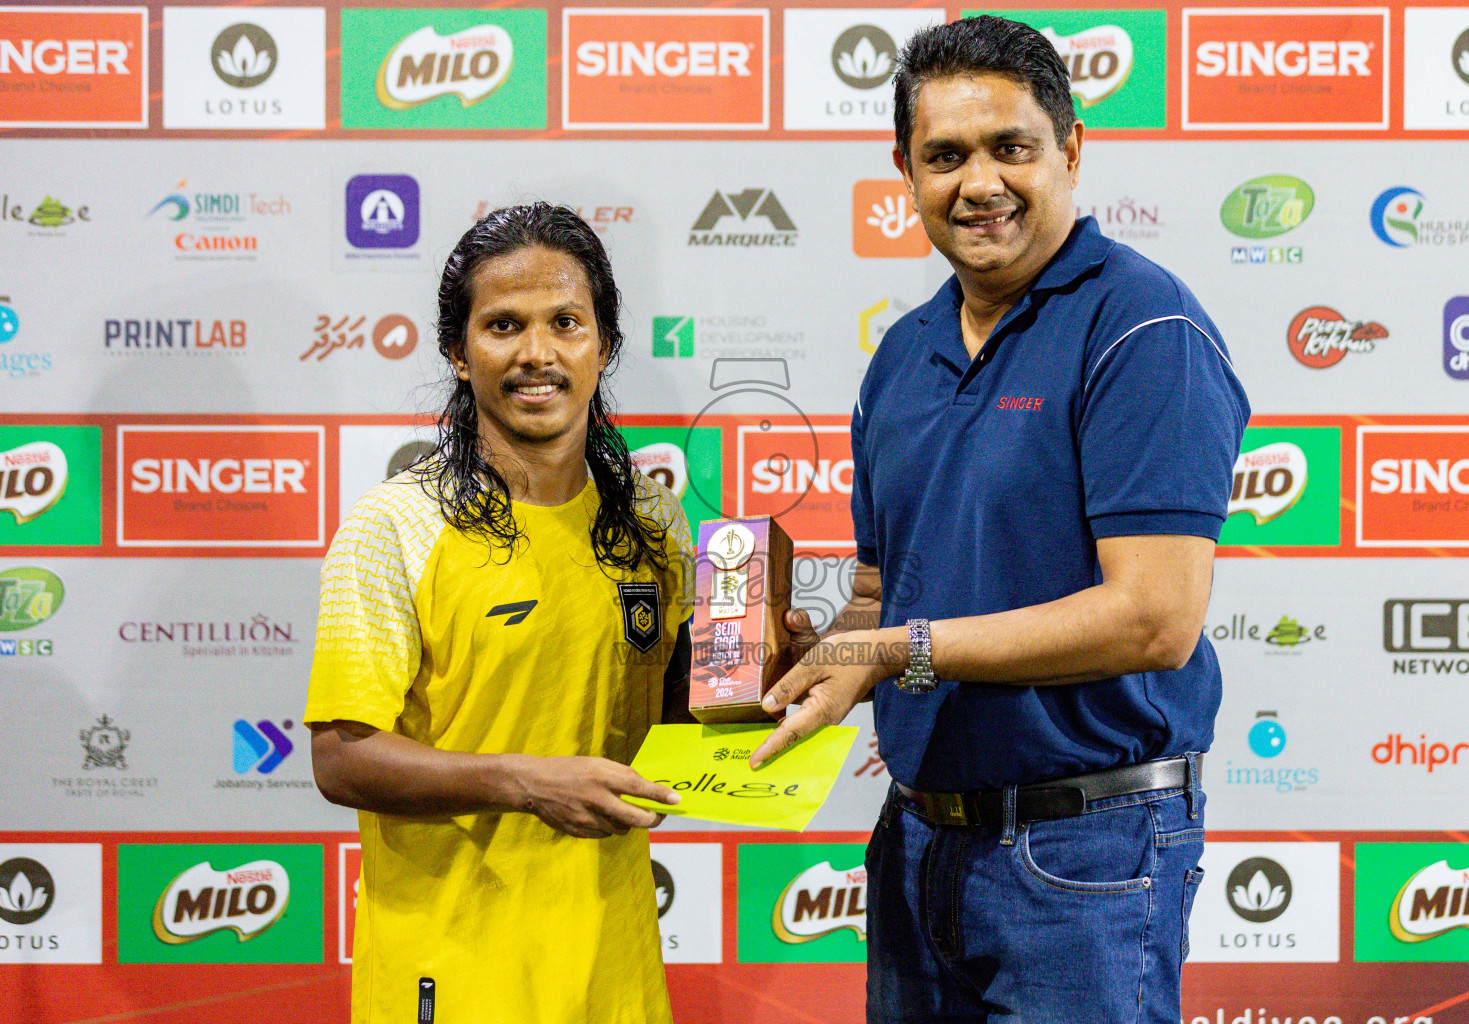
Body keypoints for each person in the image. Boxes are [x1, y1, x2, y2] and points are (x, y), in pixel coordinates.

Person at [750, 17, 1250, 1024]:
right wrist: (818, 658)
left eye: (1010, 148)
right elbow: (882, 594)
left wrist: (902, 649)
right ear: (905, 169)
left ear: (1071, 148)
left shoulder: (1144, 326)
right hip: (920, 842)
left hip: (1088, 849)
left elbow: (1154, 617)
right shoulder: (904, 353)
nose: (979, 183)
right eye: (945, 157)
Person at [305, 204, 694, 1024]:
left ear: (605, 345)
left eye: (566, 323)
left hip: (614, 967)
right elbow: (342, 760)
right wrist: (524, 782)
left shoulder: (656, 524)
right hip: (451, 969)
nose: (536, 354)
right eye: (503, 325)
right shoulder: (393, 525)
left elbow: (673, 726)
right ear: (457, 350)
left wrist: (763, 662)